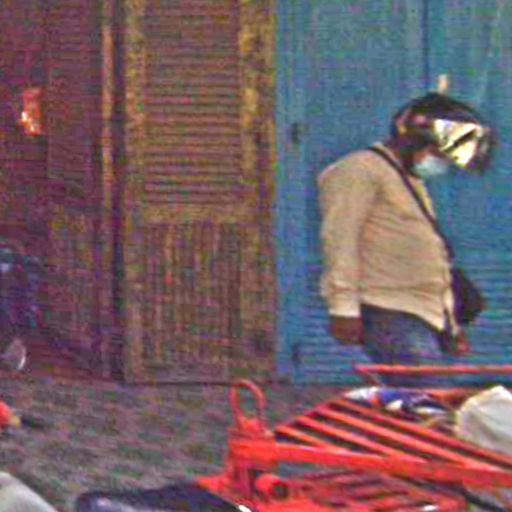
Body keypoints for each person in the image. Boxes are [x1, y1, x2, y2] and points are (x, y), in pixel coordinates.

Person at [318, 92, 495, 386]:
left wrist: (450, 326)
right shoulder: (359, 170)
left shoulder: (407, 178)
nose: (439, 162)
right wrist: (343, 308)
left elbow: (431, 253)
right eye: (436, 153)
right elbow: (340, 241)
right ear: (412, 140)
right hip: (390, 310)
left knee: (430, 402)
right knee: (428, 400)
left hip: (425, 312)